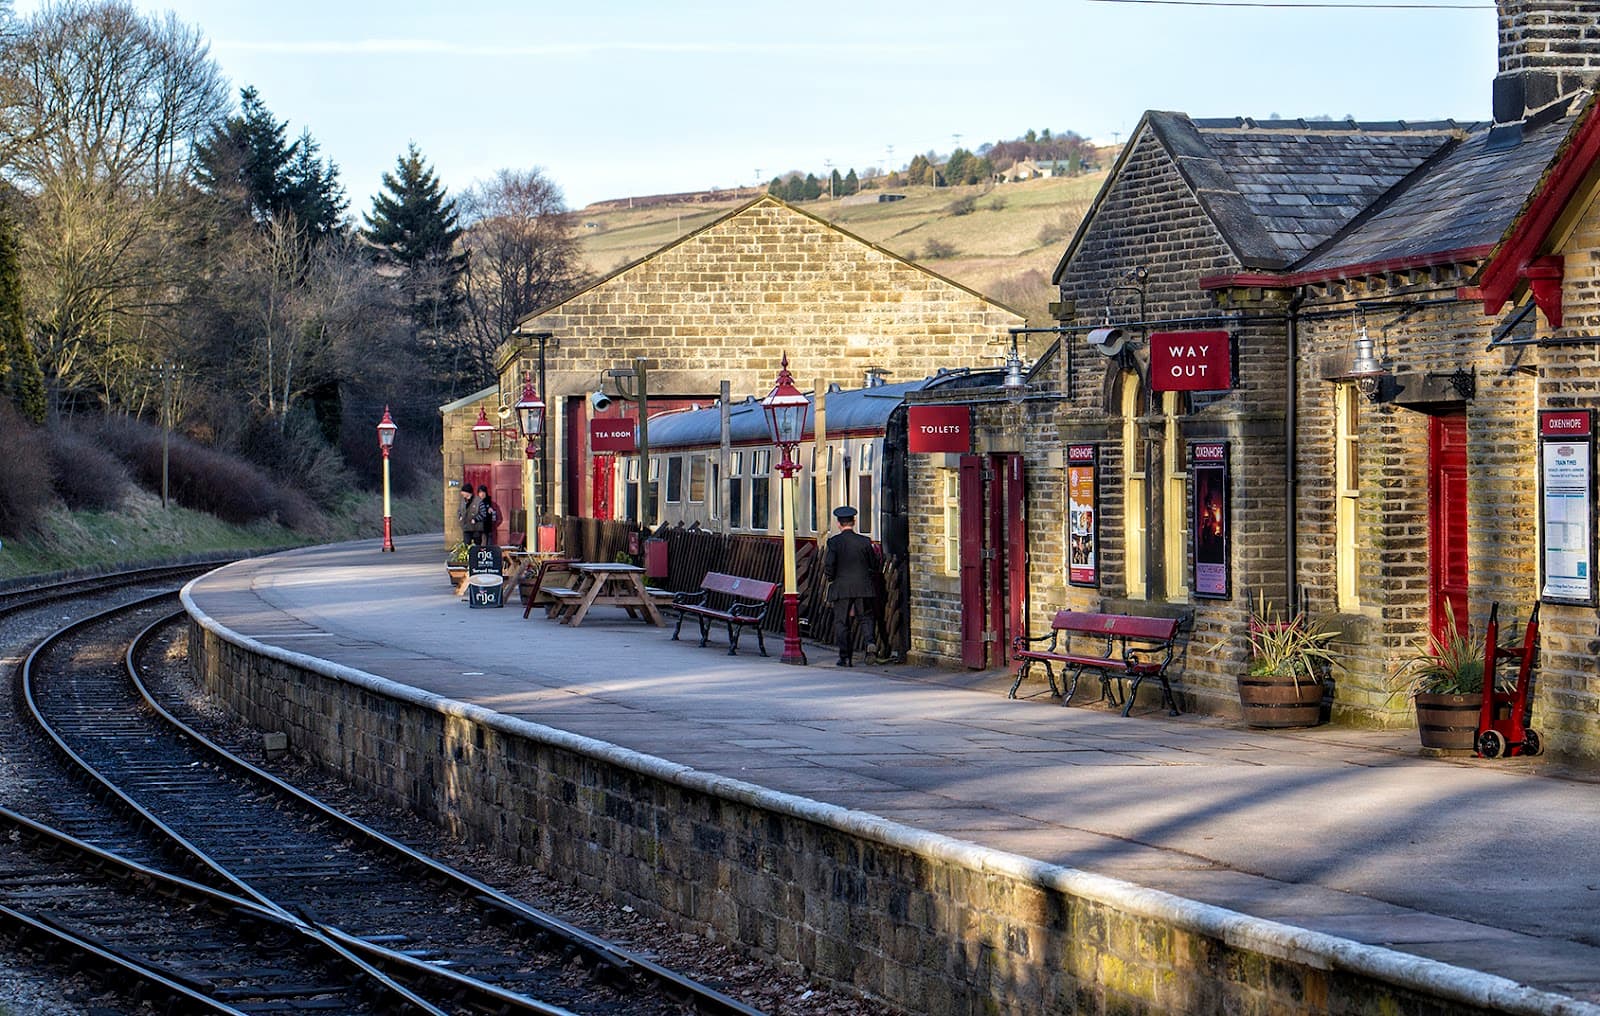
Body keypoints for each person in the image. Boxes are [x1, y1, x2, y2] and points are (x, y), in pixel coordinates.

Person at [822, 505, 878, 667]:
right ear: (854, 521)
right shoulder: (864, 542)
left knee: (842, 622)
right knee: (866, 618)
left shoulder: (834, 542)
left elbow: (830, 565)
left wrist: (831, 578)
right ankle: (870, 644)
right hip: (864, 586)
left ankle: (845, 657)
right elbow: (873, 564)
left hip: (842, 587)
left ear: (839, 523)